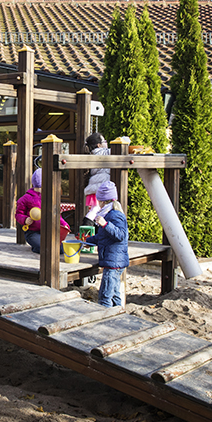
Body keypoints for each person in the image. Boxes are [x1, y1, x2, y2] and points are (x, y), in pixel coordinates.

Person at [86, 180, 129, 308]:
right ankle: (119, 317)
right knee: (115, 294)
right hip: (112, 261)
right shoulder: (108, 214)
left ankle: (106, 323)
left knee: (105, 297)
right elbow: (103, 237)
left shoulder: (115, 215)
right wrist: (87, 241)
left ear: (102, 201)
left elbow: (121, 235)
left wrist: (105, 224)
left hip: (113, 263)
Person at [16, 168, 71, 254]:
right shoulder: (25, 198)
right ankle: (37, 247)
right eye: (39, 188)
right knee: (45, 247)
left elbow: (56, 215)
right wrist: (25, 219)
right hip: (32, 233)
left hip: (48, 231)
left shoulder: (49, 198)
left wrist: (64, 225)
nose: (41, 190)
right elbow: (19, 214)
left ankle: (50, 248)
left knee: (59, 248)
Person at [82, 132, 110, 226]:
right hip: (100, 186)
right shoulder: (103, 152)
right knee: (97, 209)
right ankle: (86, 227)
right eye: (104, 141)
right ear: (99, 145)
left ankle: (89, 229)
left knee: (96, 209)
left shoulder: (93, 153)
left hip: (95, 185)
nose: (106, 143)